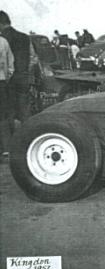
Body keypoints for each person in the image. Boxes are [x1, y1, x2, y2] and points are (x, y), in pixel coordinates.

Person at [0, 11, 32, 123]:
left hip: (9, 79)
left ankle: (13, 138)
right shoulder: (25, 37)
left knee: (9, 112)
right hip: (24, 77)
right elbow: (33, 58)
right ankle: (27, 135)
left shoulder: (3, 39)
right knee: (24, 111)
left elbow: (4, 62)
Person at [0, 33, 14, 161]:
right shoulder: (3, 41)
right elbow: (10, 65)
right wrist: (6, 77)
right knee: (3, 115)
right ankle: (6, 148)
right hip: (2, 81)